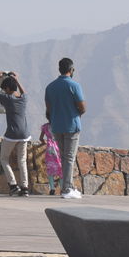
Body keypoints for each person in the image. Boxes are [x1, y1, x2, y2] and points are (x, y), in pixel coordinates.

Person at [45, 57, 86, 199]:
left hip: (57, 126)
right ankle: (67, 188)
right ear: (71, 69)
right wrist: (75, 114)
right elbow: (82, 107)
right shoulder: (74, 86)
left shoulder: (50, 87)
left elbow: (48, 109)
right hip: (72, 126)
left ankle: (69, 186)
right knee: (69, 157)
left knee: (64, 157)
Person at [0, 71, 31, 196]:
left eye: (4, 89)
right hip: (24, 134)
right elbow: (24, 92)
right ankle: (25, 188)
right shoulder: (23, 99)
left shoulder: (7, 99)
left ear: (7, 88)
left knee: (4, 158)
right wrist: (16, 79)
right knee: (22, 160)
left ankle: (13, 185)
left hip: (12, 134)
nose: (4, 91)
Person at [38, 122, 62, 195]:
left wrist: (45, 142)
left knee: (50, 169)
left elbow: (41, 138)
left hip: (50, 149)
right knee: (61, 169)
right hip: (58, 149)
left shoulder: (45, 126)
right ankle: (62, 188)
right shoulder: (59, 125)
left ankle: (52, 189)